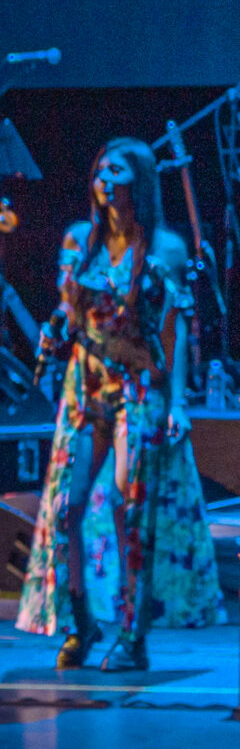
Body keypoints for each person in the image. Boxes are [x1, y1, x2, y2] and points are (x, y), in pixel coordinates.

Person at [17, 137, 221, 670]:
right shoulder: (79, 240)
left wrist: (178, 401)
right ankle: (81, 623)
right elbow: (68, 312)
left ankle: (133, 634)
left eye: (116, 171)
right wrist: (55, 329)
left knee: (128, 503)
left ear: (140, 181)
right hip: (86, 388)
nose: (104, 180)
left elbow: (175, 328)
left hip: (138, 386)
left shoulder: (164, 247)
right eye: (99, 170)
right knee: (68, 506)